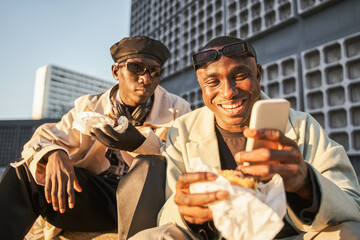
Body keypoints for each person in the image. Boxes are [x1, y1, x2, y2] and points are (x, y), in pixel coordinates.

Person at [150, 36, 360, 239]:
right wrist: (186, 214)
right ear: (201, 84)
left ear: (258, 74)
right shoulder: (182, 130)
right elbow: (166, 216)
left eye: (240, 76)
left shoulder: (301, 125)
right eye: (212, 81)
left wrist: (306, 185)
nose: (228, 92)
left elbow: (352, 205)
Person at [0, 36, 191, 240]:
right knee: (25, 170)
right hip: (96, 198)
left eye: (155, 72)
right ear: (116, 71)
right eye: (136, 68)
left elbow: (185, 160)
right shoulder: (89, 106)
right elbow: (42, 140)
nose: (146, 79)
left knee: (147, 165)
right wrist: (54, 153)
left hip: (148, 203)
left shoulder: (177, 109)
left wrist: (140, 144)